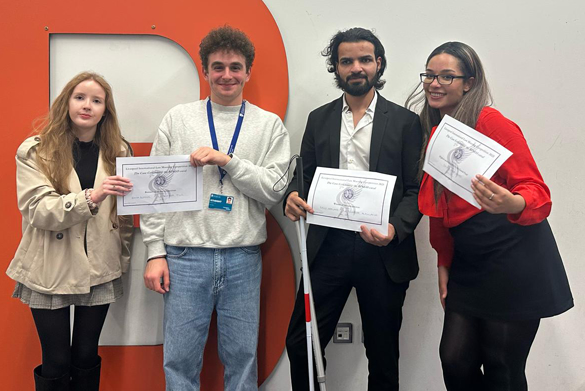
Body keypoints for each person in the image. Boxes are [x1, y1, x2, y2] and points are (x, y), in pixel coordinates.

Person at [407, 41, 573, 391]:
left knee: (503, 368)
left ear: (469, 82)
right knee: (454, 360)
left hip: (514, 257)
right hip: (470, 261)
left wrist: (511, 203)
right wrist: (443, 264)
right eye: (430, 75)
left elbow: (537, 192)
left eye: (446, 76)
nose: (434, 83)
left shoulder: (490, 122)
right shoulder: (433, 128)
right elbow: (440, 209)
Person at [141, 26, 290, 390]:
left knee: (242, 360)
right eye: (218, 67)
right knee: (179, 361)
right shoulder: (178, 119)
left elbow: (275, 189)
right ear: (205, 70)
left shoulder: (269, 125)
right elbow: (153, 191)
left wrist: (229, 161)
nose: (227, 75)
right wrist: (154, 252)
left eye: (235, 67)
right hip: (184, 257)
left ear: (248, 72)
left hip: (242, 257)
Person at [284, 27, 423, 390]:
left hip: (382, 249)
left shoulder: (406, 122)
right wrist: (293, 195)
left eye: (364, 59)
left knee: (382, 352)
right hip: (327, 247)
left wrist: (395, 228)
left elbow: (416, 190)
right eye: (347, 61)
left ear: (378, 63)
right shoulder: (319, 119)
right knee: (302, 344)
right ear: (336, 68)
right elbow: (305, 175)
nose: (356, 67)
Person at [6, 71, 134, 391]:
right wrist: (92, 195)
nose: (87, 105)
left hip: (100, 266)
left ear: (106, 110)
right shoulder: (36, 150)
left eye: (96, 100)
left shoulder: (119, 150)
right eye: (80, 97)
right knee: (56, 360)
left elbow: (126, 216)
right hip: (51, 264)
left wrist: (122, 259)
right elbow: (37, 210)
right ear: (66, 102)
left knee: (87, 355)